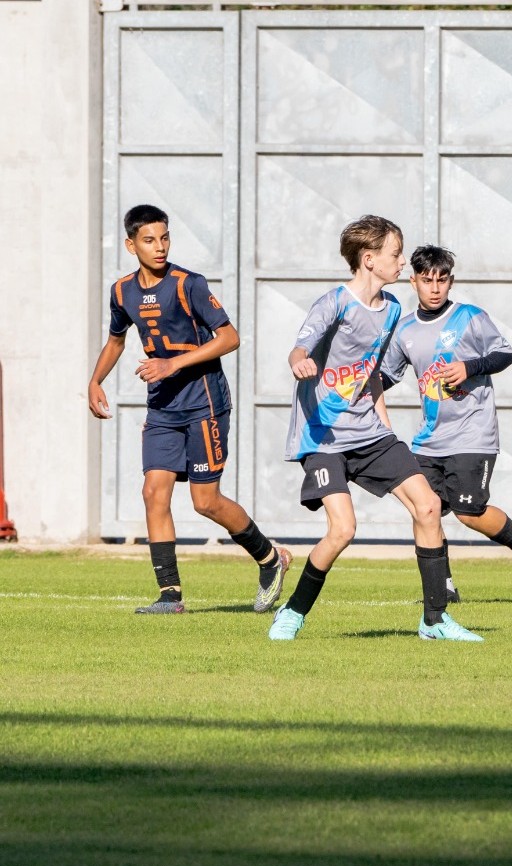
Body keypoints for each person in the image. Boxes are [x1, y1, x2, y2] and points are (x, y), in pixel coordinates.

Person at [268, 215, 482, 642]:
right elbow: (300, 346)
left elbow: (370, 374)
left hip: (369, 433)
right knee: (343, 529)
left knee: (428, 507)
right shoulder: (335, 302)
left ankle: (434, 621)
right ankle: (292, 612)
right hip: (323, 435)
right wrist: (299, 362)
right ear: (369, 260)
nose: (402, 262)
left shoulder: (394, 310)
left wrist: (385, 427)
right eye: (395, 254)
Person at [88, 204, 290, 614]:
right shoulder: (121, 291)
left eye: (164, 238)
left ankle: (271, 559)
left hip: (204, 404)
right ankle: (170, 595)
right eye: (149, 240)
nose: (159, 247)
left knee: (205, 501)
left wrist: (172, 364)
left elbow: (230, 337)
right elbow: (115, 341)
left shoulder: (189, 284)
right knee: (152, 492)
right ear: (131, 245)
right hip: (163, 407)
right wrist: (94, 382)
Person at [379, 245, 512, 593]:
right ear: (414, 282)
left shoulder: (470, 317)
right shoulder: (404, 329)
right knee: (427, 511)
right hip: (429, 438)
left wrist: (469, 367)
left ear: (451, 282)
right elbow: (388, 375)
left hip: (473, 433)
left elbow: (504, 354)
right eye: (427, 280)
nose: (435, 288)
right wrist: (355, 386)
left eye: (442, 280)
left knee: (469, 512)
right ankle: (443, 585)